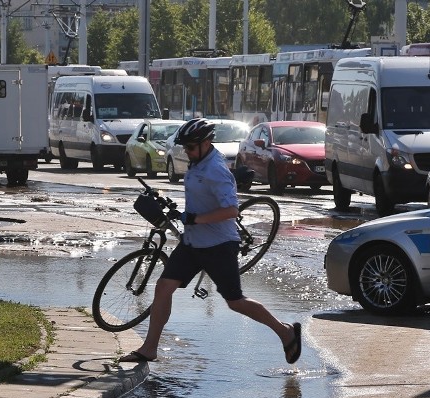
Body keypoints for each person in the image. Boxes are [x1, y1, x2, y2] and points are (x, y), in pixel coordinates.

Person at [119, 118, 302, 365]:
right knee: (163, 288)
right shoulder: (197, 164)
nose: (187, 152)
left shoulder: (216, 170)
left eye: (191, 147)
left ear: (206, 143)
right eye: (184, 147)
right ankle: (150, 348)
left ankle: (285, 331)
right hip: (193, 243)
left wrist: (196, 218)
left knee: (235, 302)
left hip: (219, 245)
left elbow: (231, 210)